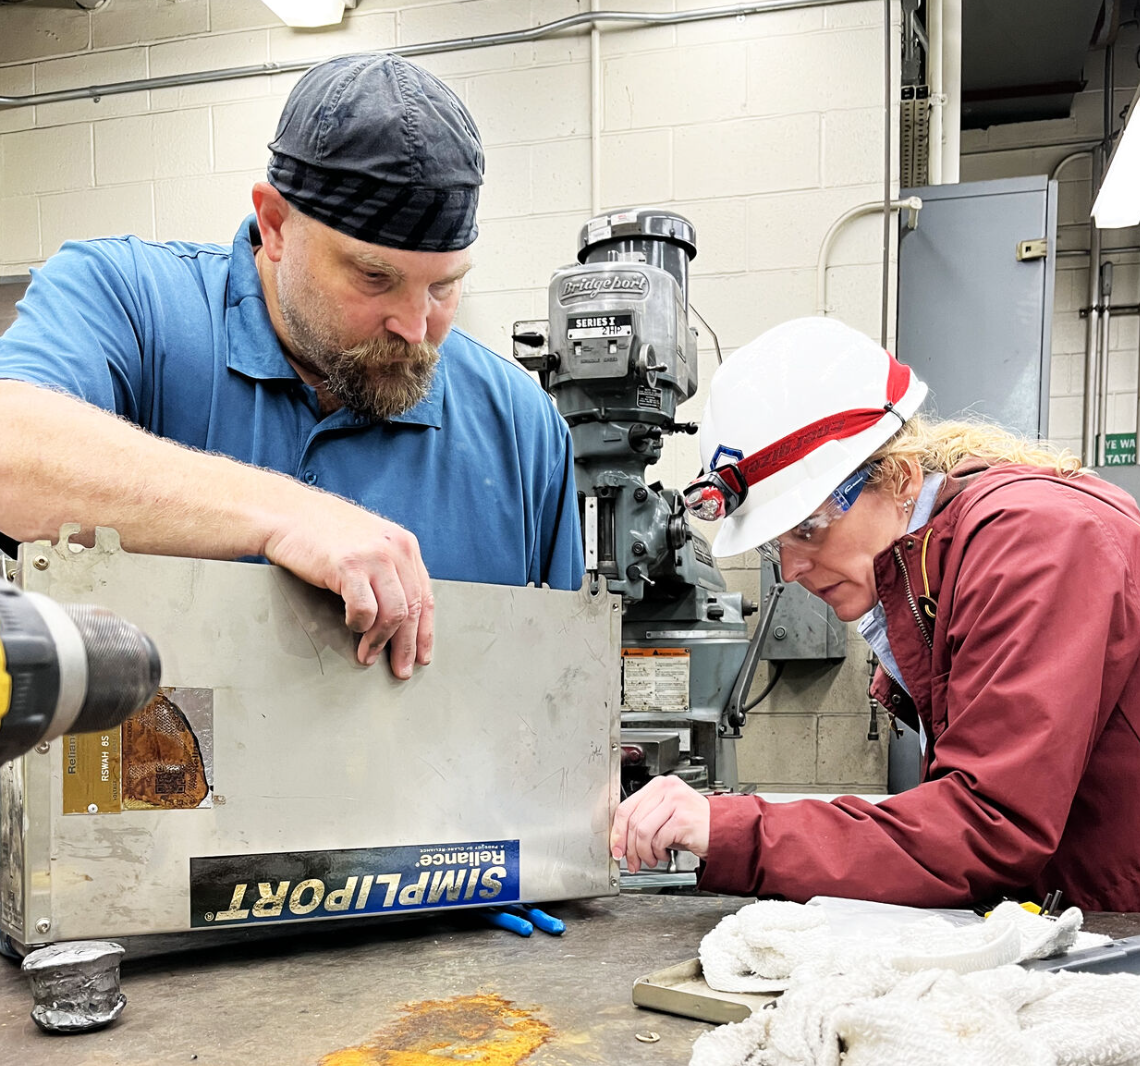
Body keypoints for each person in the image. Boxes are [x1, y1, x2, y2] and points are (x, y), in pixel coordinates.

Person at [0, 53, 583, 679]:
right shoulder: (129, 302)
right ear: (275, 224)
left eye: (443, 286)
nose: (417, 329)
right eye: (375, 277)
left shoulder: (521, 430)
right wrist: (288, 514)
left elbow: (560, 687)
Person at [610, 315, 1140, 912]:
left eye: (807, 527)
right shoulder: (944, 565)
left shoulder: (1037, 542)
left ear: (900, 477)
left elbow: (987, 822)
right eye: (776, 545)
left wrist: (731, 829)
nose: (791, 570)